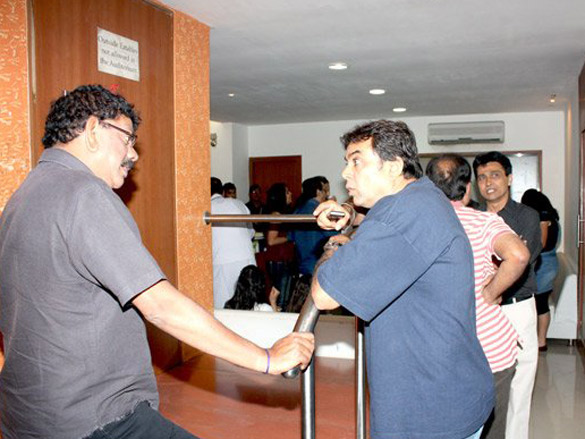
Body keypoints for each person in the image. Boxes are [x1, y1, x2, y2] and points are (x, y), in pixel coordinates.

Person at [0, 85, 314, 439]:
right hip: (96, 418)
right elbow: (161, 306)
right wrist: (266, 359)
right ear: (92, 130)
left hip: (26, 415)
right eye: (127, 139)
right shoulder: (85, 194)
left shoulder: (22, 197)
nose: (133, 153)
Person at [311, 120, 494, 439]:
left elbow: (324, 296)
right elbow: (378, 222)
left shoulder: (405, 214)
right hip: (445, 392)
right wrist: (349, 215)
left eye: (357, 161)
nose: (345, 173)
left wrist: (333, 247)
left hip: (432, 412)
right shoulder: (418, 197)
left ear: (394, 167)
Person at [426, 154, 530, 439]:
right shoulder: (484, 221)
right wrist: (491, 291)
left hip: (436, 350)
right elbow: (519, 254)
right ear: (468, 187)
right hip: (489, 348)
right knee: (491, 428)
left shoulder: (416, 225)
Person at [473, 151, 542, 439]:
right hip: (482, 312)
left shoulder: (526, 216)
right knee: (482, 382)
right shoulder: (472, 216)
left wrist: (491, 270)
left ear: (509, 178)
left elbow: (518, 260)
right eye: (482, 177)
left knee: (519, 386)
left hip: (515, 308)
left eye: (495, 175)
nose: (488, 182)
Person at [521, 188, 560, 352]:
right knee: (541, 303)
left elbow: (541, 243)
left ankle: (539, 342)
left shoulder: (543, 217)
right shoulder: (553, 217)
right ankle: (540, 341)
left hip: (543, 264)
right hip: (551, 262)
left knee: (537, 303)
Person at [211, 176, 257, 308]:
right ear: (222, 191)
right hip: (246, 259)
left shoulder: (206, 208)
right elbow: (250, 232)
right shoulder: (238, 203)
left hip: (222, 262)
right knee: (249, 301)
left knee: (223, 306)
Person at [289, 176, 337, 275]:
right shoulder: (320, 211)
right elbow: (334, 234)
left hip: (301, 265)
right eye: (326, 190)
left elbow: (290, 236)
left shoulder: (297, 210)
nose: (328, 194)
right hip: (318, 265)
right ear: (318, 191)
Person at [263, 183, 296, 308]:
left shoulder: (281, 213)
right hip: (279, 261)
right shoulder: (276, 215)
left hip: (282, 260)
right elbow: (271, 240)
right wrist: (290, 238)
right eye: (287, 192)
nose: (290, 194)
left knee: (282, 297)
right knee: (281, 298)